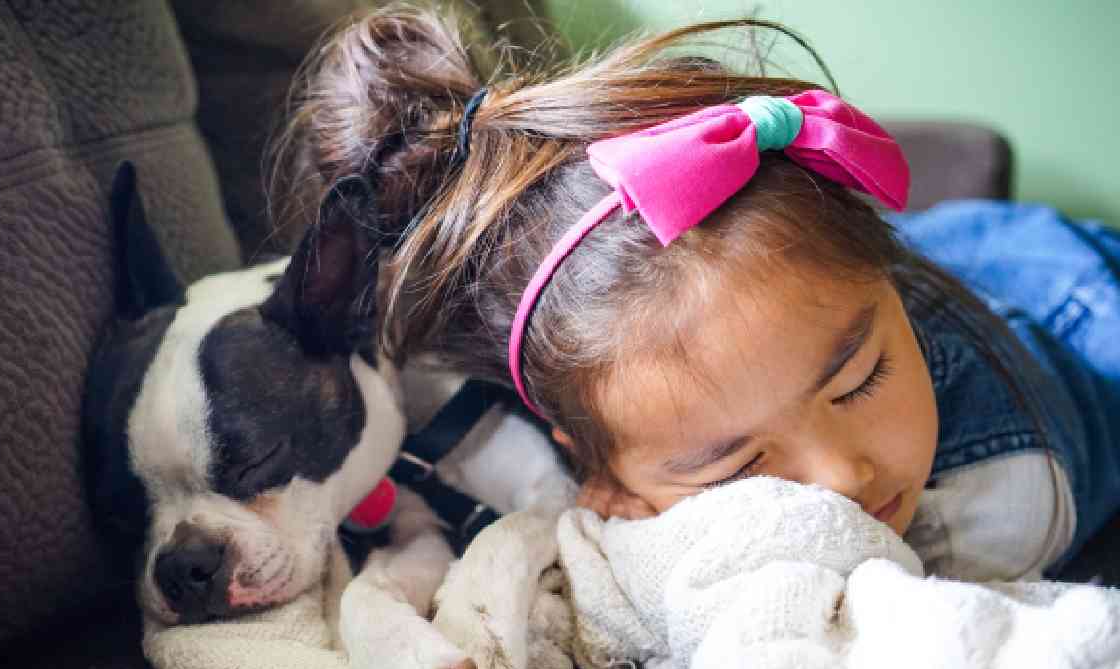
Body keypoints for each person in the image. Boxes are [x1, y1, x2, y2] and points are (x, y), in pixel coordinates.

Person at [272, 5, 1120, 581]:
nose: (843, 475)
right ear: (597, 473)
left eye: (860, 379)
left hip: (1068, 293)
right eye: (736, 464)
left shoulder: (1006, 500)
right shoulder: (582, 393)